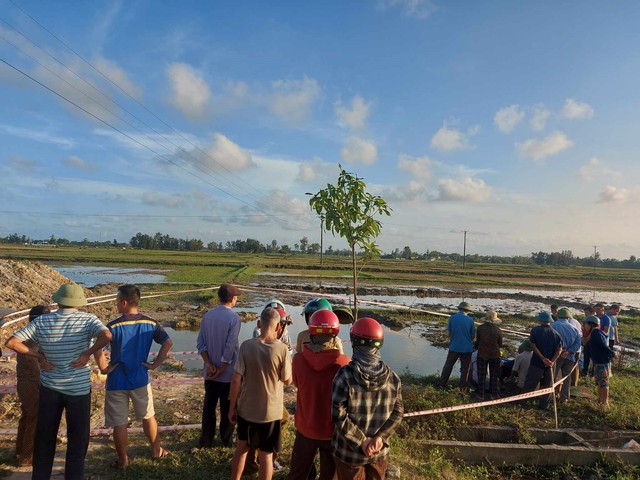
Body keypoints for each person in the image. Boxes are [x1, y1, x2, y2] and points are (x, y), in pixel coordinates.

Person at [5, 283, 111, 480]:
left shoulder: (42, 321)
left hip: (50, 389)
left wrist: (38, 357)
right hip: (78, 390)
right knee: (77, 442)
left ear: (59, 301)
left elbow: (11, 343)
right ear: (79, 302)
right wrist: (87, 354)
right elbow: (107, 336)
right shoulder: (88, 320)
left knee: (44, 439)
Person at [95, 284, 173, 469]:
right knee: (148, 416)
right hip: (140, 379)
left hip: (117, 381)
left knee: (120, 423)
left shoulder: (112, 326)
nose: (115, 304)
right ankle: (156, 450)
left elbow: (98, 347)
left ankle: (123, 460)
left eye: (116, 301)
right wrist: (155, 364)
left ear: (123, 302)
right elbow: (167, 343)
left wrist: (104, 368)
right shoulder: (151, 323)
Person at [332, 317, 403, 479]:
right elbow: (398, 413)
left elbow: (338, 416)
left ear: (354, 342)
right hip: (378, 453)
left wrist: (361, 442)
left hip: (348, 454)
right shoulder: (393, 378)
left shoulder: (344, 376)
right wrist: (380, 438)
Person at [229, 307, 292, 480]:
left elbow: (236, 379)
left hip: (246, 410)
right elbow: (287, 380)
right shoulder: (282, 349)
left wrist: (232, 407)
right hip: (270, 413)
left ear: (259, 324)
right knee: (266, 454)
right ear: (278, 327)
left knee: (242, 448)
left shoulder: (246, 346)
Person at [287, 310, 350, 480]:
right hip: (332, 431)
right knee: (328, 475)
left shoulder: (298, 360)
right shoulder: (344, 363)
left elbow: (298, 384)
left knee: (297, 473)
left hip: (305, 428)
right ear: (335, 333)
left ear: (312, 331)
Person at [196, 284, 242, 449]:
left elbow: (200, 343)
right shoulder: (234, 319)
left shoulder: (207, 316)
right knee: (227, 407)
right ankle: (226, 440)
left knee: (208, 407)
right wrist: (222, 368)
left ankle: (206, 439)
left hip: (210, 372)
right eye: (236, 297)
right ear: (232, 299)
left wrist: (208, 363)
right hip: (227, 374)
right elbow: (230, 347)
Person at [15, 305, 50, 467]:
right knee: (34, 419)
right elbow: (32, 362)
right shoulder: (31, 338)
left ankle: (19, 451)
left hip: (25, 383)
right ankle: (27, 457)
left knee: (27, 417)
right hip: (31, 383)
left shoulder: (28, 334)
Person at [521, 311, 563, 410]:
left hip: (537, 361)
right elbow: (559, 350)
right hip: (551, 364)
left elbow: (533, 345)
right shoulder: (556, 333)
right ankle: (544, 405)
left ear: (540, 320)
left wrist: (542, 358)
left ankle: (523, 401)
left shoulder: (535, 330)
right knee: (548, 385)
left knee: (530, 383)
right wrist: (552, 361)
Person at [436, 301, 475, 390]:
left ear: (459, 309)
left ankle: (441, 385)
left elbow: (448, 333)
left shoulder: (452, 318)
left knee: (448, 365)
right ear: (468, 310)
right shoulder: (470, 320)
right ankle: (462, 388)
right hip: (467, 348)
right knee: (465, 368)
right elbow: (473, 335)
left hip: (454, 346)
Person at [551, 308, 582, 403]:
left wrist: (560, 351)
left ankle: (549, 396)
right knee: (567, 378)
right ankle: (564, 398)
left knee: (552, 376)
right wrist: (568, 351)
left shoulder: (553, 326)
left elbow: (550, 340)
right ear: (568, 318)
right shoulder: (575, 329)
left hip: (556, 355)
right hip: (569, 356)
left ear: (557, 316)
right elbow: (578, 344)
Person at [584, 315, 615, 407]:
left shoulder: (596, 333)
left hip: (602, 361)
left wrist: (612, 353)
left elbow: (603, 346)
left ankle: (605, 403)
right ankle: (600, 399)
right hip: (598, 361)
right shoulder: (596, 333)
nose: (584, 326)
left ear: (592, 325)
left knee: (603, 383)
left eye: (586, 324)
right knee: (599, 382)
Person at [475, 310, 503, 399]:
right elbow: (500, 344)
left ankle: (481, 394)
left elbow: (478, 341)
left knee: (482, 375)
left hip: (482, 354)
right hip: (495, 354)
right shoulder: (498, 330)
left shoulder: (480, 328)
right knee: (494, 376)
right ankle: (493, 394)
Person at [581, 306, 597, 376]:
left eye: (587, 313)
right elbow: (583, 329)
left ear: (592, 312)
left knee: (593, 358)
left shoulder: (595, 320)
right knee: (586, 357)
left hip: (591, 341)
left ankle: (593, 372)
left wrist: (586, 339)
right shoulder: (585, 320)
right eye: (585, 313)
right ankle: (585, 371)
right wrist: (583, 338)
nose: (585, 314)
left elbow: (593, 331)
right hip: (585, 340)